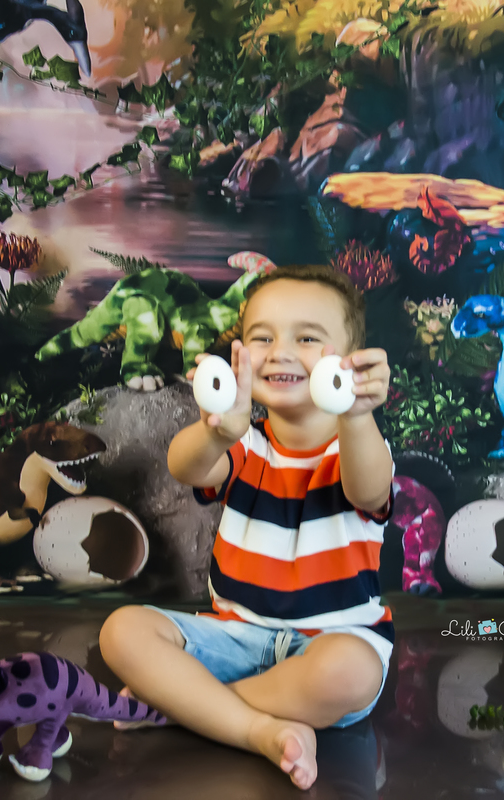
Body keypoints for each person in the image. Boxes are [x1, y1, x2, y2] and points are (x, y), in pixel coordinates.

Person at [99, 264, 396, 790]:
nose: (279, 350)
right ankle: (258, 728)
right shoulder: (244, 442)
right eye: (262, 337)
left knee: (352, 670)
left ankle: (190, 705)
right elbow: (185, 467)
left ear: (349, 363)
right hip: (232, 638)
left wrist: (356, 416)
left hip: (326, 646)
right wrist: (216, 433)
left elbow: (369, 491)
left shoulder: (357, 447)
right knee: (122, 631)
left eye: (307, 337)